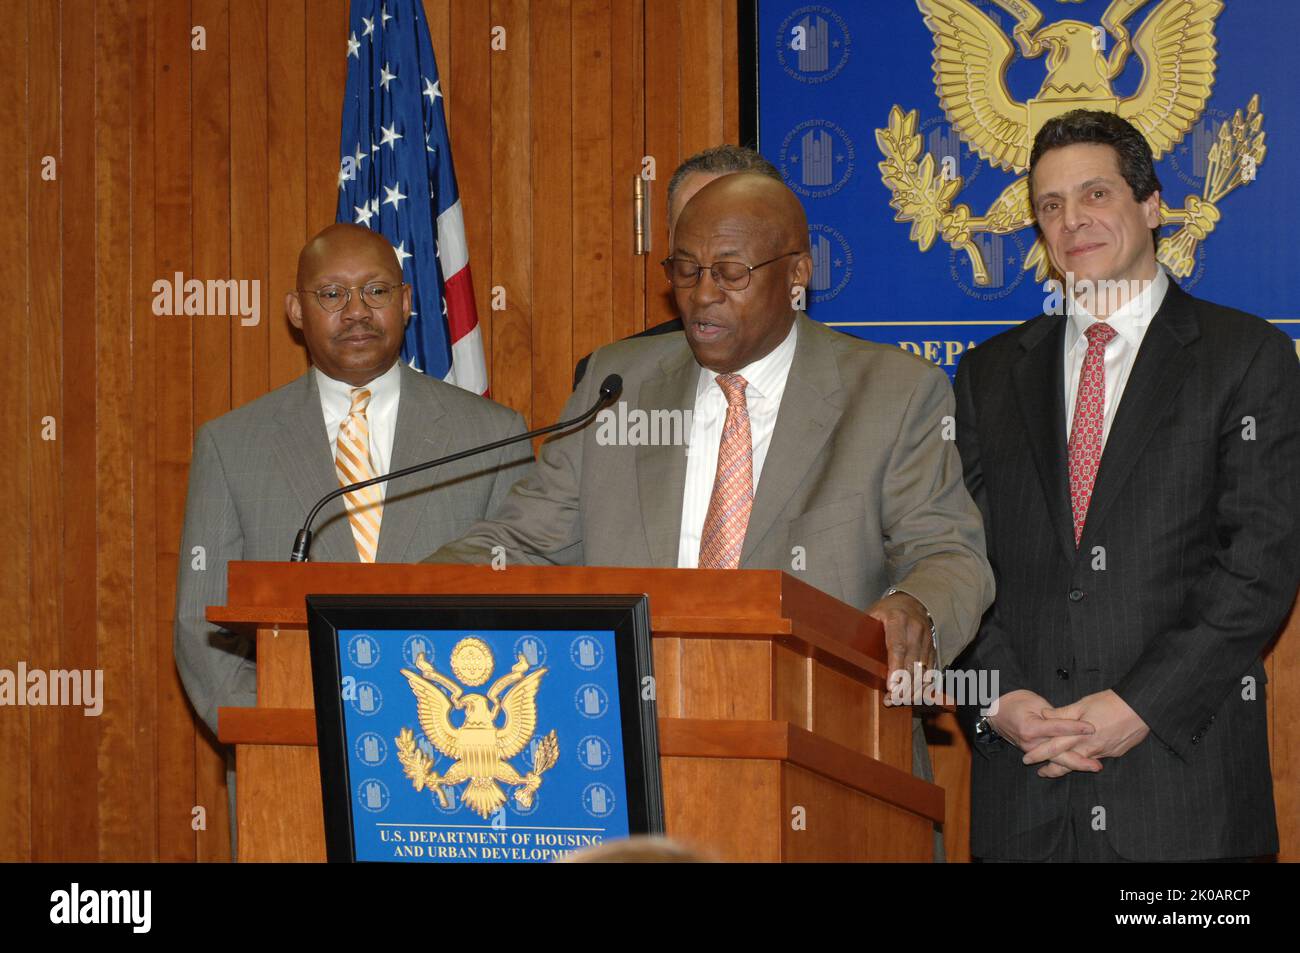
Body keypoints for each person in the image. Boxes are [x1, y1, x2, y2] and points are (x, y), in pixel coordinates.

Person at [427, 174, 996, 851]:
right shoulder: (620, 384)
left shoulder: (894, 392)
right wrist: (397, 596)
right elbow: (521, 540)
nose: (701, 295)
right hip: (631, 774)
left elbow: (950, 553)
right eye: (686, 270)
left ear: (798, 273)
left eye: (730, 272)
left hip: (831, 769)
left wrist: (914, 608)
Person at [954, 109, 1300, 861]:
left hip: (1185, 797)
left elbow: (1260, 565)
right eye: (1050, 205)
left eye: (1095, 194)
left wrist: (1139, 705)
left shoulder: (1245, 357)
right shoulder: (988, 375)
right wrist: (1001, 698)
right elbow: (957, 560)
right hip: (1025, 796)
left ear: (1150, 206)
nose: (1072, 220)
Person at [173, 223, 532, 738]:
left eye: (377, 291)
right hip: (295, 759)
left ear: (406, 301)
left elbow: (529, 609)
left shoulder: (493, 436)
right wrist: (281, 728)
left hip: (453, 751)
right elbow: (200, 627)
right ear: (297, 311)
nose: (357, 310)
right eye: (332, 294)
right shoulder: (231, 446)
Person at [571, 145, 782, 389]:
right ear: (670, 239)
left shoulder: (834, 369)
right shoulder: (613, 381)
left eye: (728, 228)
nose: (705, 293)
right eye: (689, 228)